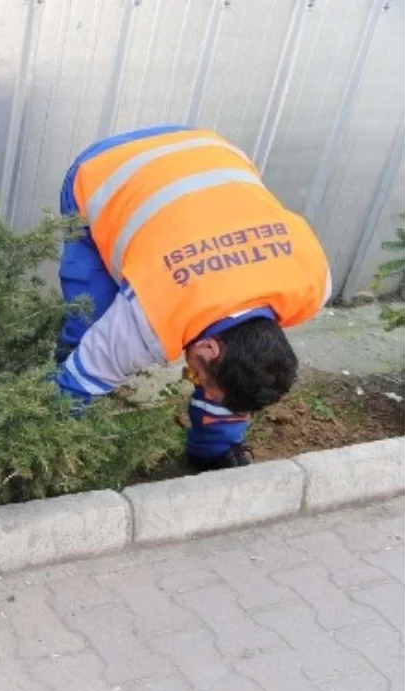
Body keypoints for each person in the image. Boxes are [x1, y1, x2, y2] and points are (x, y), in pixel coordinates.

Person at [53, 125, 331, 470]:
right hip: (107, 167)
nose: (196, 382)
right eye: (203, 383)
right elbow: (78, 383)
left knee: (223, 379)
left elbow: (230, 378)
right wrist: (45, 448)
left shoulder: (312, 280)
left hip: (212, 149)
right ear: (207, 349)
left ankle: (214, 454)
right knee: (89, 316)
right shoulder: (151, 315)